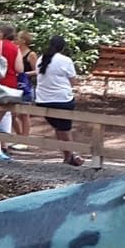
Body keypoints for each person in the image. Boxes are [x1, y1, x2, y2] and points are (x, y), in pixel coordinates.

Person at [37, 35, 83, 167]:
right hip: (62, 100)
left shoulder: (41, 59)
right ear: (62, 47)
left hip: (42, 100)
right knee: (65, 128)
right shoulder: (65, 60)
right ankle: (71, 155)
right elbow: (73, 81)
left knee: (59, 128)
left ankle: (67, 156)